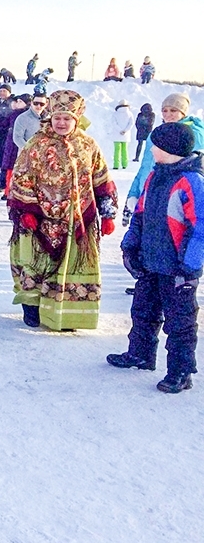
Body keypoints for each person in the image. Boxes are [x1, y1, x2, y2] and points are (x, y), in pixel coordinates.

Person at [8, 90, 117, 331]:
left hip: (74, 219)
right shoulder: (35, 143)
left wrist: (107, 211)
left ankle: (67, 314)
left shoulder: (88, 145)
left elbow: (101, 179)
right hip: (39, 218)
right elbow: (21, 176)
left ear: (76, 119)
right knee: (36, 264)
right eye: (57, 117)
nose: (61, 123)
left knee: (71, 266)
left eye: (67, 118)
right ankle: (32, 308)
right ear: (50, 116)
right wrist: (26, 209)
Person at [109, 122, 204, 393]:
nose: (151, 148)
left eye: (156, 145)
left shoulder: (193, 181)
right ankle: (140, 354)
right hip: (151, 261)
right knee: (142, 311)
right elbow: (140, 215)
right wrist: (130, 245)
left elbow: (201, 226)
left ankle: (181, 371)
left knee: (180, 322)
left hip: (177, 267)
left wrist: (190, 265)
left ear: (170, 149)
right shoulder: (155, 176)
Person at [124, 93, 204, 224]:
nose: (168, 114)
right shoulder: (157, 134)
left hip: (173, 198)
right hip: (149, 193)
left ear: (183, 112)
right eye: (164, 110)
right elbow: (145, 166)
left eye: (173, 110)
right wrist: (133, 194)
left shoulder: (191, 135)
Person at [113, 100, 134, 170]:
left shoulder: (115, 113)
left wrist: (120, 130)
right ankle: (124, 164)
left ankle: (116, 164)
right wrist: (125, 130)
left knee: (117, 150)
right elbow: (131, 123)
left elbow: (114, 123)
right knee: (125, 150)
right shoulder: (130, 113)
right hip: (126, 135)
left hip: (117, 134)